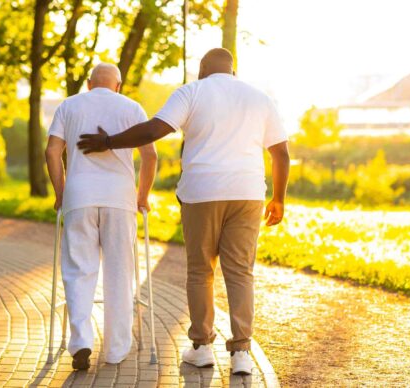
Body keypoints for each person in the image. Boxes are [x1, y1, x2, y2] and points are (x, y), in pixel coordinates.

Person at [76, 48, 290, 375]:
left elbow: (152, 131)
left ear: (203, 68)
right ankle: (242, 353)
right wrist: (279, 199)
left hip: (202, 193)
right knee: (240, 271)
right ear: (233, 69)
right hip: (247, 194)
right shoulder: (260, 98)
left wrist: (108, 142)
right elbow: (281, 154)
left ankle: (202, 347)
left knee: (200, 269)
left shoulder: (192, 91)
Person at [45, 63, 157, 370]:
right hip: (119, 199)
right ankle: (116, 349)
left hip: (79, 197)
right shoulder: (132, 107)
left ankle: (80, 341)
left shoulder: (69, 105)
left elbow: (52, 152)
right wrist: (142, 196)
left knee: (79, 270)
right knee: (120, 273)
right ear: (118, 85)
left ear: (90, 83)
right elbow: (150, 156)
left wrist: (60, 191)